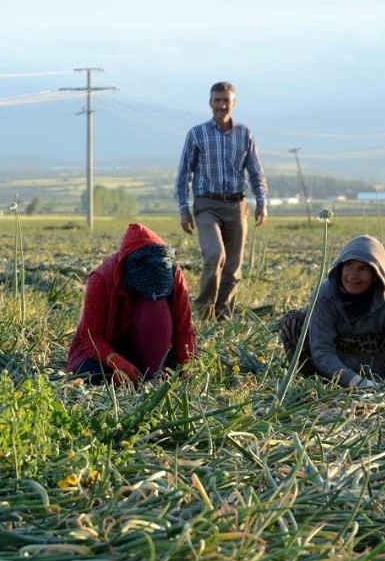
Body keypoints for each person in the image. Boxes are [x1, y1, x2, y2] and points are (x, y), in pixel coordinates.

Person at [279, 234, 385, 388]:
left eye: (363, 268)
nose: (353, 276)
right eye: (348, 266)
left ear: (376, 274)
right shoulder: (325, 295)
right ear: (340, 267)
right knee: (292, 321)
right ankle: (316, 382)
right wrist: (356, 382)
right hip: (335, 367)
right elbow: (322, 351)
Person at [175, 81, 268, 321]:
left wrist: (262, 202)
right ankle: (205, 313)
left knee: (233, 267)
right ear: (210, 102)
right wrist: (184, 209)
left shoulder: (244, 133)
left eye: (226, 100)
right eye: (217, 100)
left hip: (237, 206)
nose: (221, 105)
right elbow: (184, 173)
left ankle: (223, 317)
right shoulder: (197, 134)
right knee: (215, 254)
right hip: (206, 205)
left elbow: (255, 171)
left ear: (233, 103)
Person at [67, 223, 197, 385]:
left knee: (156, 307)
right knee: (92, 376)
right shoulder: (101, 278)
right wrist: (116, 361)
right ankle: (135, 375)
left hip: (152, 345)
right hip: (108, 351)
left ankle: (154, 373)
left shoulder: (173, 273)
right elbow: (90, 336)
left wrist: (189, 366)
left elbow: (184, 328)